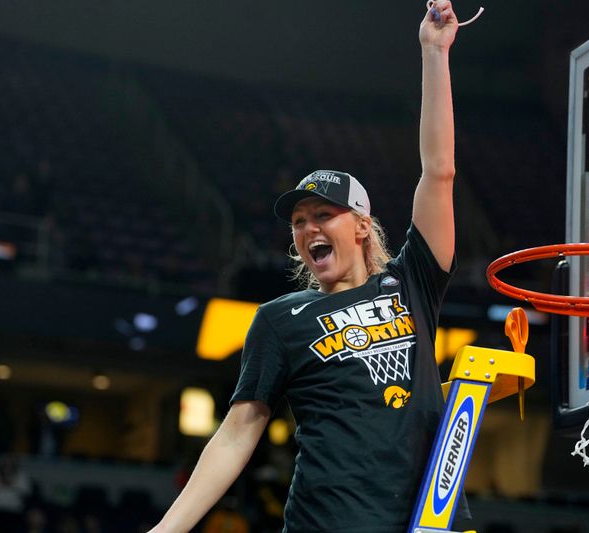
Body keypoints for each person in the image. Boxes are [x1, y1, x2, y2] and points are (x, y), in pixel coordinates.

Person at [150, 1, 460, 531]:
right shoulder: (279, 320)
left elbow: (439, 172)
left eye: (324, 214)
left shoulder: (412, 282)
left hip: (426, 521)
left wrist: (434, 53)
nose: (308, 228)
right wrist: (168, 528)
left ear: (362, 225)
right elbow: (238, 430)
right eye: (298, 221)